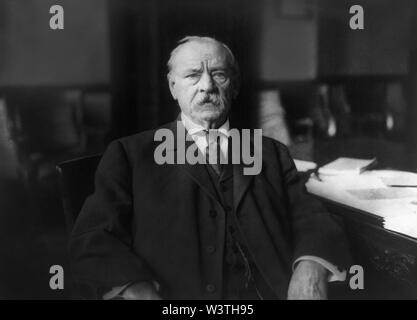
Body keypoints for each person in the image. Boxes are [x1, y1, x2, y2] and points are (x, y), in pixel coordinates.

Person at [69, 36, 351, 300]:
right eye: (192, 75)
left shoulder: (270, 153)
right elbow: (93, 238)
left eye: (218, 74)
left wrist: (311, 266)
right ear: (172, 87)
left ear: (234, 85)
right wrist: (135, 288)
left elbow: (310, 217)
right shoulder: (131, 154)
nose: (207, 86)